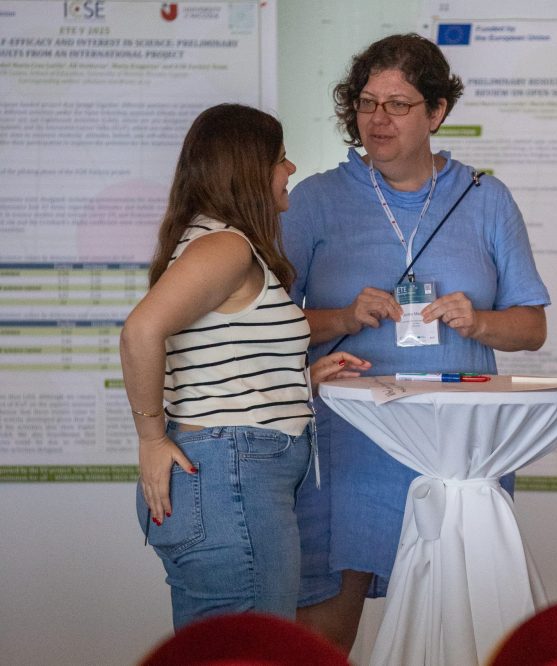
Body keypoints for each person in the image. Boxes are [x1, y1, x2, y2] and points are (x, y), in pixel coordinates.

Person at [281, 33, 550, 652]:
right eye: (367, 102)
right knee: (321, 637)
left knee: (459, 631)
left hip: (455, 449)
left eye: (399, 104)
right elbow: (269, 326)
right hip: (347, 446)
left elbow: (531, 328)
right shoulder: (316, 200)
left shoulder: (484, 197)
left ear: (437, 112)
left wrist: (480, 322)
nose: (378, 119)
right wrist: (345, 316)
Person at [120, 103, 370, 630]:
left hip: (219, 482)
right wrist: (149, 438)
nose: (291, 170)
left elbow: (218, 363)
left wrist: (301, 382)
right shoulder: (226, 247)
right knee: (255, 652)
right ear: (250, 171)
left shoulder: (212, 243)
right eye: (281, 159)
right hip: (231, 484)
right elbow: (141, 331)